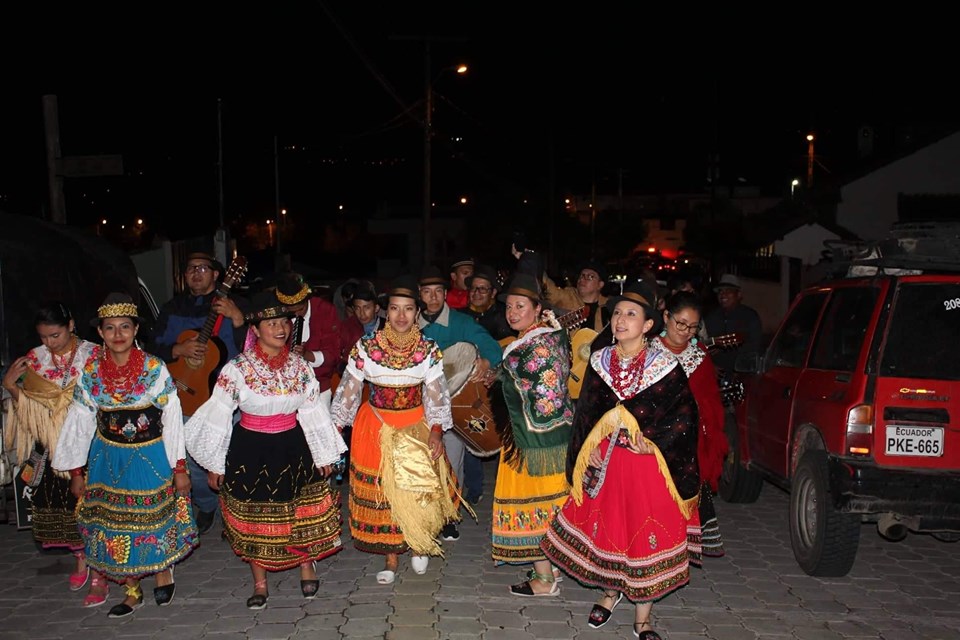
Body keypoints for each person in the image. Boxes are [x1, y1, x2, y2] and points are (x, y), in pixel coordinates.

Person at [540, 282, 701, 639]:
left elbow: (685, 417)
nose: (620, 320)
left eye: (631, 314)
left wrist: (655, 443)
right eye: (616, 313)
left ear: (647, 326)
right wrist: (591, 446)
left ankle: (642, 618)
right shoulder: (601, 361)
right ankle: (610, 594)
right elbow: (587, 414)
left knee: (643, 533)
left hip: (647, 468)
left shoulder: (664, 366)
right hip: (611, 465)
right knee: (612, 529)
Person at [184, 292, 346, 610]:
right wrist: (216, 463)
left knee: (300, 511)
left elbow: (313, 410)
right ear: (255, 329)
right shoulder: (237, 369)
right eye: (271, 323)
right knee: (254, 515)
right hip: (251, 448)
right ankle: (259, 582)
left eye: (284, 321)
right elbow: (218, 413)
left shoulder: (300, 366)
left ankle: (305, 565)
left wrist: (324, 454)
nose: (281, 328)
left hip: (293, 444)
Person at [53, 293, 197, 618]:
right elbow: (79, 420)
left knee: (155, 518)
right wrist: (76, 471)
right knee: (115, 523)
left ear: (135, 331)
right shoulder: (91, 372)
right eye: (110, 328)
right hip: (108, 458)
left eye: (125, 327)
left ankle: (162, 569)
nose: (118, 334)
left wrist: (179, 466)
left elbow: (172, 418)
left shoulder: (154, 368)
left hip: (150, 454)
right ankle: (132, 590)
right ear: (100, 333)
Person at [331, 275, 460, 584]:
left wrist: (436, 430)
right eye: (394, 309)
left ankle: (419, 545)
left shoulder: (428, 348)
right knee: (384, 492)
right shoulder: (366, 345)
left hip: (415, 423)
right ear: (384, 312)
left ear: (417, 313)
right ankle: (389, 557)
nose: (401, 317)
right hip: (375, 424)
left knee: (417, 489)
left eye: (408, 310)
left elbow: (436, 391)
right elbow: (350, 387)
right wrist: (336, 428)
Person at [2, 303, 98, 602]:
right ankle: (82, 557)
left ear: (70, 325)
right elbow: (28, 407)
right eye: (43, 337)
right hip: (52, 448)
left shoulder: (94, 354)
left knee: (95, 506)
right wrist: (9, 384)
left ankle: (100, 570)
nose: (49, 343)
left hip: (90, 442)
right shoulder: (35, 359)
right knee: (65, 508)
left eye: (54, 335)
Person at [148, 251, 247, 535]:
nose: (196, 273)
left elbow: (252, 346)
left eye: (203, 268)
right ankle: (206, 505)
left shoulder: (233, 305)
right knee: (193, 458)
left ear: (218, 275)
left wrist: (238, 318)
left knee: (232, 458)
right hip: (185, 394)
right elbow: (152, 348)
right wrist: (178, 350)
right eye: (191, 268)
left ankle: (237, 513)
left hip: (226, 396)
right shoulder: (172, 308)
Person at [492, 273, 574, 597]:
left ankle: (543, 580)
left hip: (530, 441)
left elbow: (514, 374)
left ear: (538, 308)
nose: (512, 312)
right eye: (509, 306)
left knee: (532, 503)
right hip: (558, 436)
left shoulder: (527, 347)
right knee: (554, 501)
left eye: (520, 306)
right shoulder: (554, 335)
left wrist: (495, 373)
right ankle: (552, 565)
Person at [418, 265, 503, 541]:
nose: (432, 298)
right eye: (427, 292)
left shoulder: (461, 322)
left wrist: (486, 360)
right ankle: (419, 516)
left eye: (438, 292)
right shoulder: (409, 325)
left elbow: (491, 345)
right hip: (416, 407)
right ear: (420, 295)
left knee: (450, 462)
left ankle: (449, 516)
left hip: (453, 408)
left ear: (445, 293)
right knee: (419, 464)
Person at [652, 291, 729, 557]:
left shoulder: (700, 356)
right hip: (651, 440)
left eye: (693, 327)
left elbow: (711, 403)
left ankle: (678, 546)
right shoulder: (646, 349)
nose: (686, 331)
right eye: (680, 324)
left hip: (688, 442)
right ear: (666, 317)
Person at [274, 272, 342, 407]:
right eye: (292, 312)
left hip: (319, 386)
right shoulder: (278, 314)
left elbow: (333, 354)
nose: (297, 314)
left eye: (301, 309)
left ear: (307, 300)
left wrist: (307, 355)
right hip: (285, 388)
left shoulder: (325, 311)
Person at [704, 274, 762, 372]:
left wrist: (726, 345)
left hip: (742, 371)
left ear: (739, 295)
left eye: (728, 291)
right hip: (716, 372)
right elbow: (703, 344)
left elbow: (755, 345)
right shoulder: (711, 317)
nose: (723, 294)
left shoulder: (750, 316)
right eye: (720, 291)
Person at [463, 263, 514, 342]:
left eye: (482, 289)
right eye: (473, 288)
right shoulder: (460, 316)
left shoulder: (504, 318)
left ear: (493, 293)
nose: (476, 293)